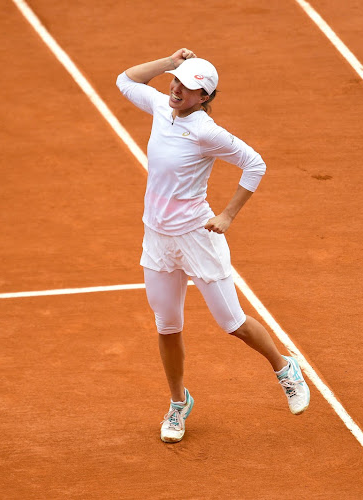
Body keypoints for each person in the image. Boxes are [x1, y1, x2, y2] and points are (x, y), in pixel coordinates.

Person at [116, 48, 310, 443]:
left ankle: (285, 367)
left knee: (232, 323)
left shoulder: (206, 132)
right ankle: (178, 403)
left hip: (196, 237)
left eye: (187, 89)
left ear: (204, 97)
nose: (176, 90)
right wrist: (170, 62)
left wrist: (228, 215)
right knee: (167, 325)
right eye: (177, 82)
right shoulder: (160, 105)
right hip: (156, 236)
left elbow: (255, 163)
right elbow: (126, 80)